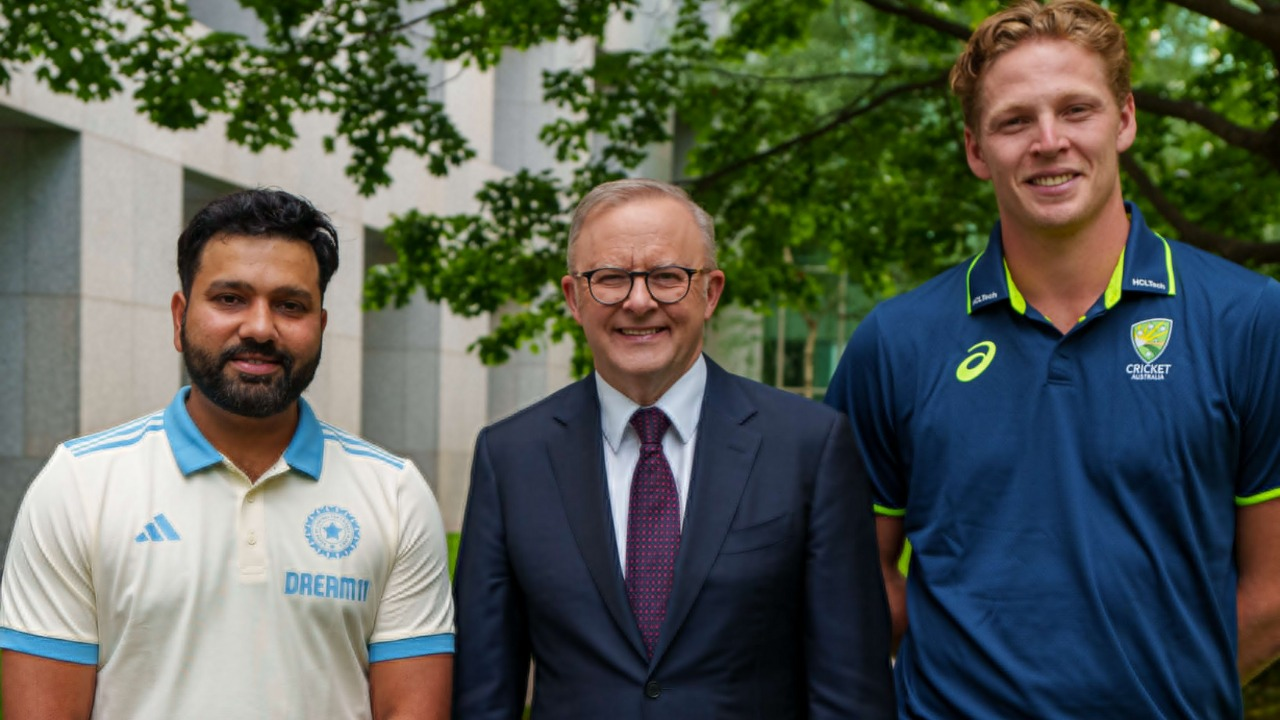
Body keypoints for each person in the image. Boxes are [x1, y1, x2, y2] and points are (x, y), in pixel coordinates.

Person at [824, 0, 1280, 716]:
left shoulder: (1250, 320)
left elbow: (1275, 587)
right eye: (1013, 121)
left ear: (1124, 119)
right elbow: (855, 579)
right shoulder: (896, 343)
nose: (1048, 141)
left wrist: (1167, 689)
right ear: (977, 149)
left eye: (1076, 109)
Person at [0, 189, 455, 719]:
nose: (260, 328)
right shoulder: (79, 485)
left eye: (290, 305)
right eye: (230, 298)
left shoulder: (395, 494)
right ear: (180, 316)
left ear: (321, 327)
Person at [452, 178, 895, 719]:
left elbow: (851, 692)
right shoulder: (510, 457)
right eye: (610, 279)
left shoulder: (810, 447)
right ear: (574, 297)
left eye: (667, 278)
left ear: (710, 292)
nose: (639, 302)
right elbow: (482, 693)